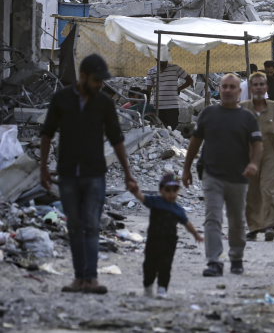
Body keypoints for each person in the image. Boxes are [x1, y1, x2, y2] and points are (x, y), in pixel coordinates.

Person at [41, 54, 138, 294]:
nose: (101, 85)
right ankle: (79, 278)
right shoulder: (61, 99)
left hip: (94, 173)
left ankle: (91, 278)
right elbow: (47, 133)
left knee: (92, 225)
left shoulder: (103, 103)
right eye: (97, 80)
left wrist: (128, 173)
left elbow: (116, 139)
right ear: (82, 77)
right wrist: (43, 167)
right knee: (74, 225)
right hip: (67, 174)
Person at [183, 73, 263, 277]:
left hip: (238, 176)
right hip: (212, 175)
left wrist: (254, 163)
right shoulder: (208, 114)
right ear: (219, 89)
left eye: (231, 87)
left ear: (239, 91)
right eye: (224, 86)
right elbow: (195, 142)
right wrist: (186, 168)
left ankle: (236, 257)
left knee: (236, 220)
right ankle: (214, 261)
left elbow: (257, 144)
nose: (227, 90)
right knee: (213, 218)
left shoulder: (247, 117)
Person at [130, 173, 203, 298]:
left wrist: (196, 234)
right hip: (153, 240)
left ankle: (162, 288)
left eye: (174, 190)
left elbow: (186, 222)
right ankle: (148, 286)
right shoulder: (155, 201)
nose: (171, 194)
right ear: (160, 190)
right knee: (149, 265)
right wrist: (135, 191)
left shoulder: (178, 209)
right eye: (167, 190)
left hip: (169, 242)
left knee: (165, 265)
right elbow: (142, 198)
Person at [241, 72, 274, 242]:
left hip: (271, 154)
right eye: (255, 85)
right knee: (251, 191)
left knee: (268, 187)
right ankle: (254, 228)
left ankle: (271, 225)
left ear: (266, 88)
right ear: (250, 88)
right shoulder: (243, 108)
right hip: (249, 155)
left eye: (262, 84)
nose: (259, 88)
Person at [146, 60, 193, 130]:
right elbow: (148, 90)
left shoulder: (175, 68)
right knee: (160, 130)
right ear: (157, 58)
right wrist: (147, 104)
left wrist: (178, 89)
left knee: (173, 131)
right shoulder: (151, 71)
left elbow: (190, 80)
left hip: (172, 106)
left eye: (166, 59)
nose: (165, 61)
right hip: (158, 107)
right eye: (162, 59)